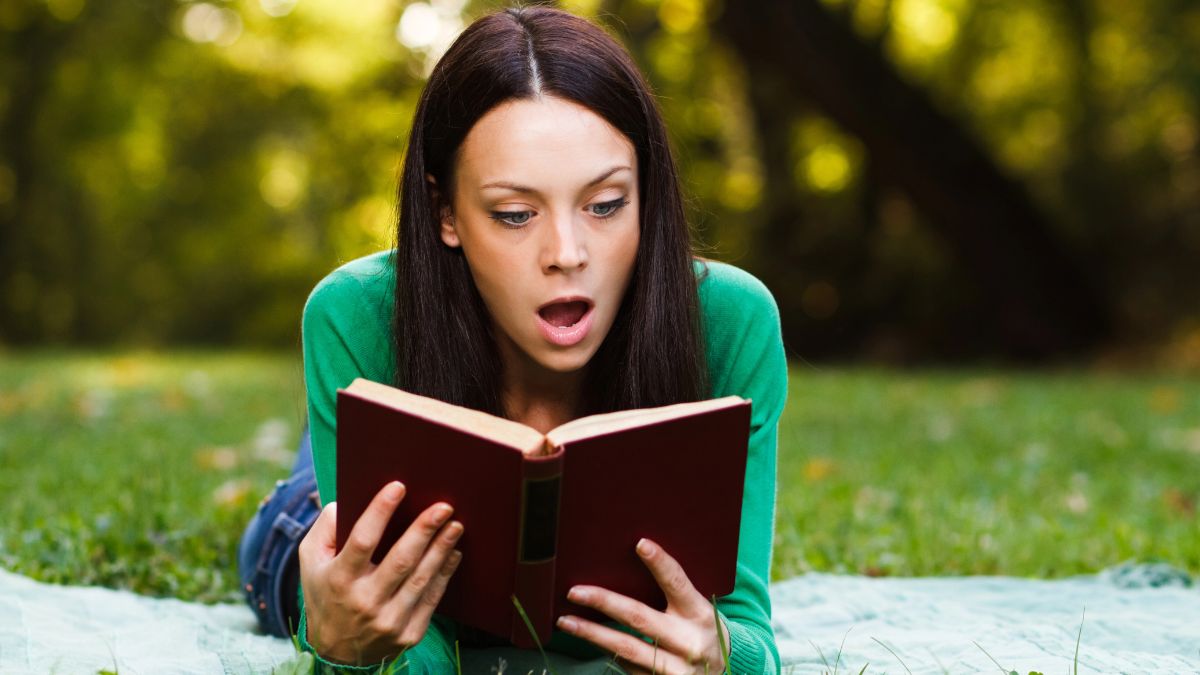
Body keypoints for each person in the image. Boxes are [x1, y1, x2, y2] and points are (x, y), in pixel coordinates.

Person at [238, 6, 787, 674]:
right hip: (304, 524)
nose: (566, 253)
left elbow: (748, 631)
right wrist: (347, 648)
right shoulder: (353, 313)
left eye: (606, 204)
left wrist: (721, 655)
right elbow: (399, 650)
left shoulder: (732, 322)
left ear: (647, 193)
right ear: (446, 212)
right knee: (299, 549)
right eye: (515, 214)